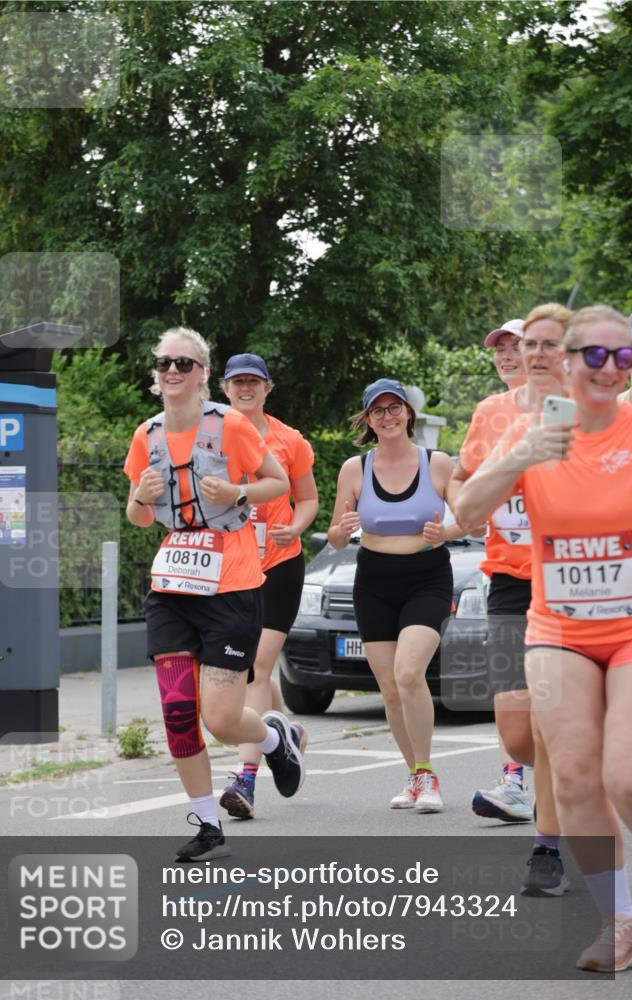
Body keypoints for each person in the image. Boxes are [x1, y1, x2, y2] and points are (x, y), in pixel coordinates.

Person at [455, 305, 632, 972]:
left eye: (624, 358)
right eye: (594, 355)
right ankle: (618, 919)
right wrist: (520, 457)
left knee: (624, 777)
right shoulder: (533, 431)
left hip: (630, 632)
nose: (609, 369)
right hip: (556, 630)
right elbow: (467, 510)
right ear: (566, 361)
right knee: (579, 779)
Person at [124, 327, 306, 862]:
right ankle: (208, 826)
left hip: (232, 586)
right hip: (173, 587)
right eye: (164, 364)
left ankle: (274, 738)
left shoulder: (229, 428)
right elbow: (137, 517)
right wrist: (141, 495)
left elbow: (277, 484)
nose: (173, 372)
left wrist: (236, 492)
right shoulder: (147, 435)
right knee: (178, 712)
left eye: (185, 363)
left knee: (222, 721)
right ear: (155, 376)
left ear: (203, 373)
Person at [449, 303, 572, 898]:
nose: (515, 355)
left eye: (526, 345)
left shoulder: (584, 411)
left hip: (567, 580)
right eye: (507, 348)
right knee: (518, 731)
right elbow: (465, 485)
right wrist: (467, 501)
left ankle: (547, 850)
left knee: (550, 724)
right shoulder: (490, 413)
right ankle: (543, 787)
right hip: (507, 578)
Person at [328, 378, 482, 813]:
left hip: (426, 576)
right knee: (390, 689)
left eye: (395, 408)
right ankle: (414, 775)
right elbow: (339, 538)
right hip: (373, 580)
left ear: (408, 414)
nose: (389, 416)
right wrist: (340, 531)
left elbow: (471, 519)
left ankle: (429, 773)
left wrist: (446, 531)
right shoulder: (354, 469)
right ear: (368, 420)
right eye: (379, 411)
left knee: (409, 672)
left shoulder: (437, 463)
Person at [218, 353, 318, 819]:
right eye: (237, 381)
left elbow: (309, 498)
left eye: (253, 382)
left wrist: (295, 527)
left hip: (279, 563)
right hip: (230, 566)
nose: (245, 389)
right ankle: (287, 732)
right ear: (224, 387)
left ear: (267, 388)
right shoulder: (211, 436)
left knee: (256, 666)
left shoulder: (289, 440)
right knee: (254, 670)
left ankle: (246, 778)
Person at [484, 318, 526, 389]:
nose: (506, 357)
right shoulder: (495, 400)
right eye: (500, 350)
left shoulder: (547, 398)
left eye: (516, 349)